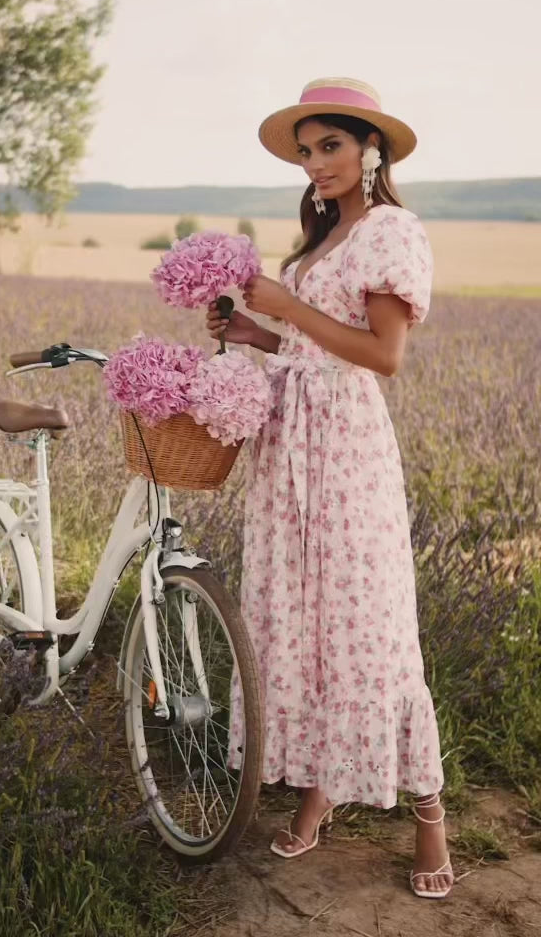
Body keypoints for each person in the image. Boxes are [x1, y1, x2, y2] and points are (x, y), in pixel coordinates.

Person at [208, 78, 452, 899]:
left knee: (371, 625)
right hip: (290, 449)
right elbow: (314, 351)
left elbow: (382, 357)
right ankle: (319, 792)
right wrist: (255, 332)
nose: (316, 164)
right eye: (306, 151)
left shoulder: (390, 231)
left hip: (346, 452)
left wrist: (283, 305)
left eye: (331, 146)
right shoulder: (319, 240)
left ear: (369, 148)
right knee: (305, 624)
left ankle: (430, 819)